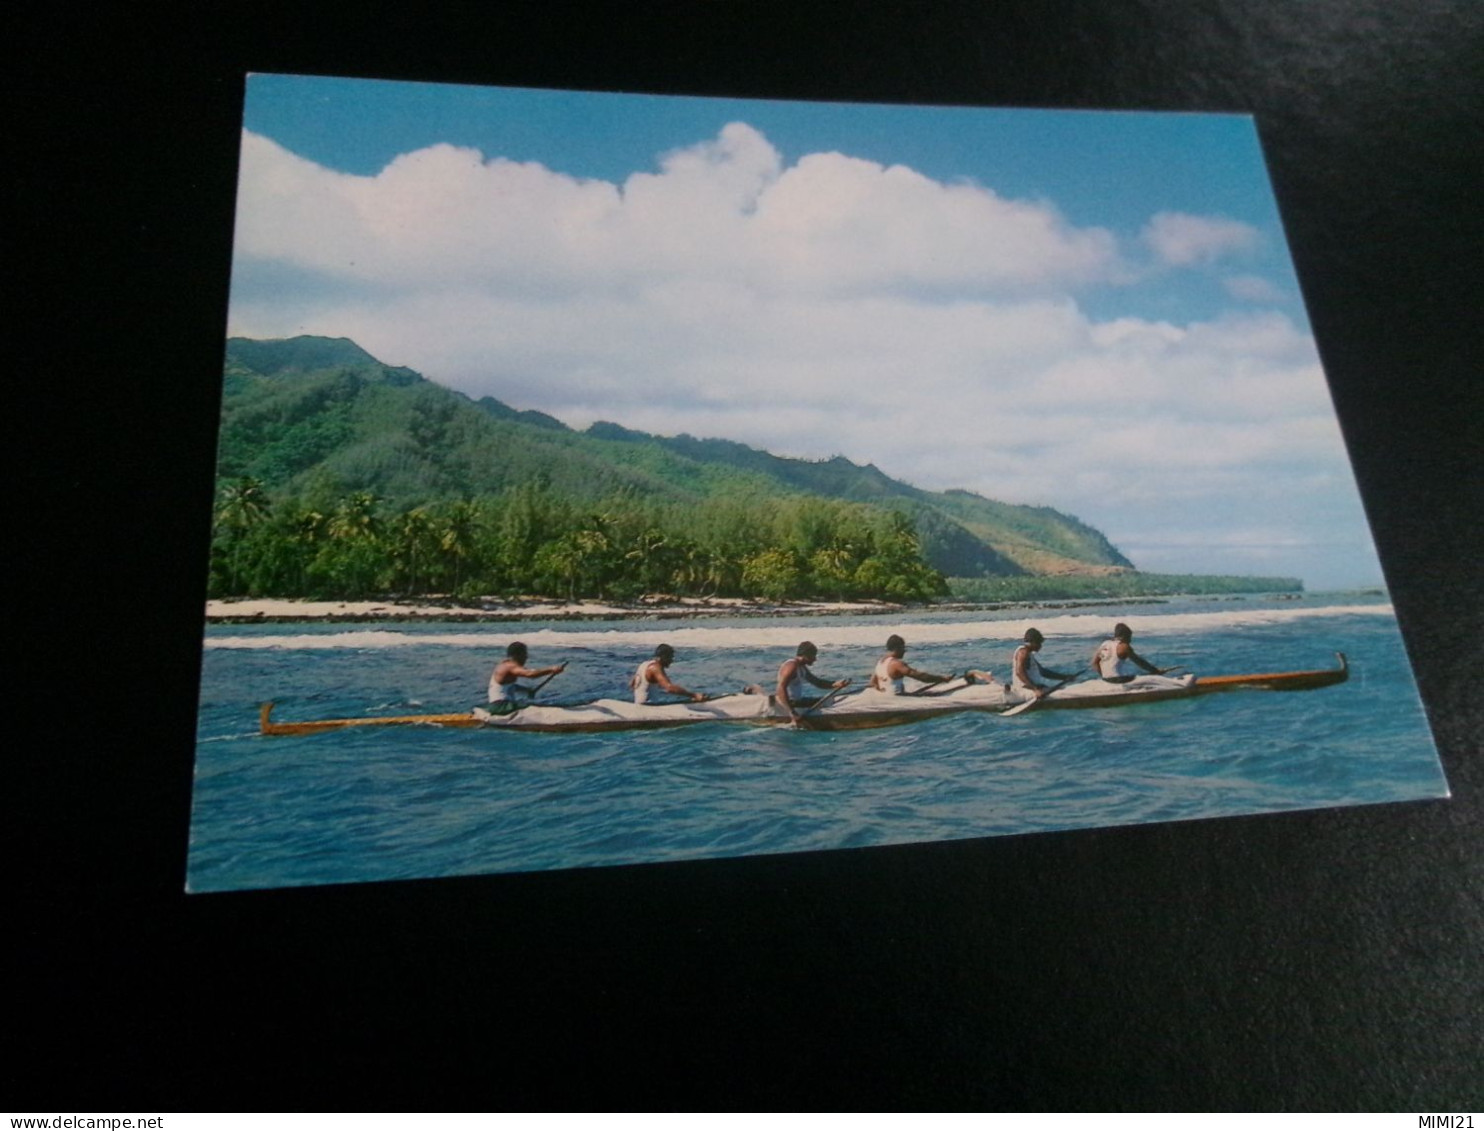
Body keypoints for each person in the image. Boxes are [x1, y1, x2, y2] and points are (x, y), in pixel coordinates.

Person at [775, 641, 851, 724]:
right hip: (791, 704)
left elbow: (817, 682)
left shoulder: (801, 667)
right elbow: (781, 688)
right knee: (829, 702)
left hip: (798, 701)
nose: (815, 659)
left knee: (829, 700)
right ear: (805, 655)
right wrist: (792, 712)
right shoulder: (791, 666)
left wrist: (836, 684)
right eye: (813, 656)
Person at [487, 642, 566, 715]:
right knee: (542, 704)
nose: (526, 657)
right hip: (501, 707)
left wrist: (527, 690)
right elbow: (530, 674)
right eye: (524, 654)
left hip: (500, 705)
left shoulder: (504, 664)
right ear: (517, 655)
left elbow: (509, 686)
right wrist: (551, 669)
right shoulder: (510, 666)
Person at [868, 634, 952, 695]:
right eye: (903, 648)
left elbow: (872, 683)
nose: (905, 651)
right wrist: (941, 678)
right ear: (898, 648)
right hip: (898, 700)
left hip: (886, 699)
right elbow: (921, 677)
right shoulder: (897, 664)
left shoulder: (880, 662)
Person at [1091, 622, 1168, 683]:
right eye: (1129, 637)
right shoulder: (1124, 647)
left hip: (1106, 680)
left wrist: (1105, 676)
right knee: (1149, 678)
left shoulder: (1105, 644)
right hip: (1120, 680)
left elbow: (1094, 663)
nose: (1130, 641)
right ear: (1124, 636)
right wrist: (1156, 671)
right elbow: (1140, 662)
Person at [1011, 628, 1078, 698]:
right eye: (1039, 643)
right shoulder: (1023, 652)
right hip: (1027, 689)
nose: (1040, 646)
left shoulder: (1029, 655)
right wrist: (1035, 689)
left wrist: (1065, 677)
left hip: (1032, 687)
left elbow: (1043, 672)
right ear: (1033, 642)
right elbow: (1019, 672)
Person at [631, 643, 707, 704]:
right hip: (648, 708)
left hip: (639, 705)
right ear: (662, 657)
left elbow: (632, 684)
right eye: (670, 657)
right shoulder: (656, 668)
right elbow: (669, 688)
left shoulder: (644, 664)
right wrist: (694, 695)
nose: (671, 660)